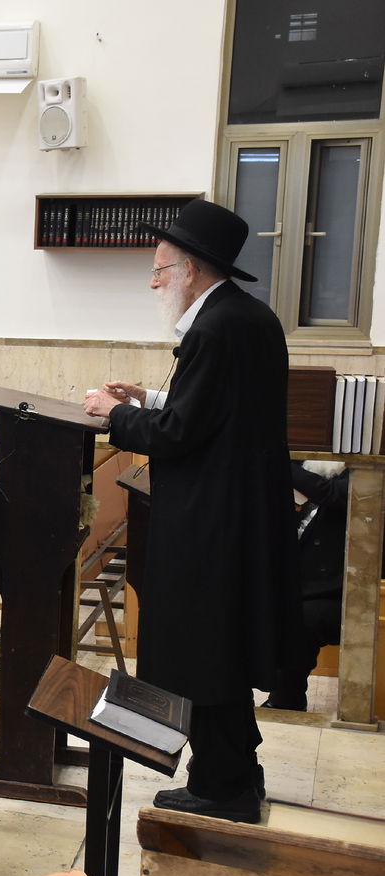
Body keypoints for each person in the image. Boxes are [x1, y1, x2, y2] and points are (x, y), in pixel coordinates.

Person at [83, 199, 298, 823]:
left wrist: (113, 411)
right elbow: (213, 413)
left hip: (211, 526)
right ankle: (231, 775)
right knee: (218, 651)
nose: (154, 281)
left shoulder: (215, 328)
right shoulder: (246, 318)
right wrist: (147, 395)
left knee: (205, 653)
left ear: (194, 269)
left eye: (160, 269)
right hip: (234, 516)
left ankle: (222, 787)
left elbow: (179, 434)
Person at [263, 460, 348, 711]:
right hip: (294, 582)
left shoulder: (364, 470)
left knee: (301, 621)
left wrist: (281, 462)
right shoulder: (304, 466)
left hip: (339, 592)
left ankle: (287, 701)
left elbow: (332, 493)